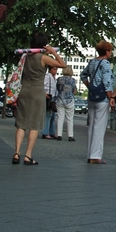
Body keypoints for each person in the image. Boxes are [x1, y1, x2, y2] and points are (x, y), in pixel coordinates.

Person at [13, 32, 66, 165]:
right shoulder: (43, 58)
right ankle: (28, 155)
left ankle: (16, 153)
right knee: (34, 125)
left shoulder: (24, 56)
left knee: (21, 124)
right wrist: (53, 51)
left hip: (24, 90)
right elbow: (62, 65)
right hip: (37, 92)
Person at [81, 41, 114, 164]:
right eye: (110, 50)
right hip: (103, 98)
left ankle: (90, 154)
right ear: (107, 51)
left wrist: (90, 86)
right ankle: (95, 156)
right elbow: (107, 82)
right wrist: (111, 97)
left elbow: (83, 75)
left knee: (91, 126)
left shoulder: (92, 62)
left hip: (92, 97)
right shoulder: (105, 63)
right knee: (99, 127)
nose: (111, 53)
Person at [55, 66, 76, 141]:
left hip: (60, 99)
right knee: (70, 119)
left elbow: (57, 88)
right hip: (69, 100)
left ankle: (59, 135)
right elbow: (74, 90)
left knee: (60, 118)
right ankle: (70, 136)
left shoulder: (59, 79)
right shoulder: (73, 80)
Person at [42, 66, 58, 139]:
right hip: (48, 96)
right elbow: (42, 86)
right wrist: (44, 94)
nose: (55, 71)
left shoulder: (54, 78)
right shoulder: (47, 77)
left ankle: (52, 132)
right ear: (50, 69)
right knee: (48, 115)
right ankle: (45, 132)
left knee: (53, 116)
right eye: (54, 69)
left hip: (54, 97)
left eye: (56, 69)